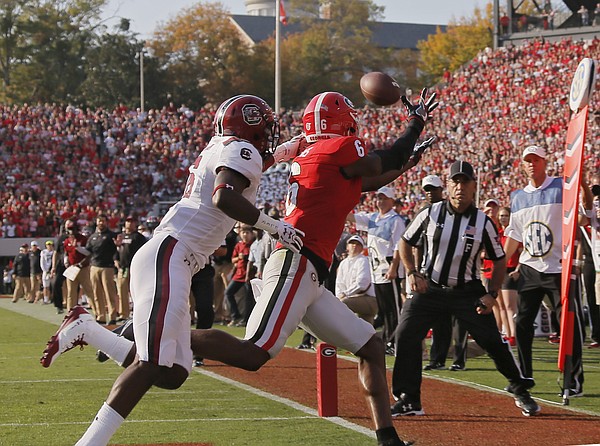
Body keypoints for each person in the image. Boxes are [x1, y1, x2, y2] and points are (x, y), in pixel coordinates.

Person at [41, 94, 304, 446]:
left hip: (172, 255)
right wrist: (275, 226)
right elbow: (224, 196)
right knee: (150, 364)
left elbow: (239, 174)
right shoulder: (241, 149)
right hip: (172, 254)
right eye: (266, 125)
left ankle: (90, 329)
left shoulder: (225, 148)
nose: (268, 132)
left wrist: (282, 152)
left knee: (173, 373)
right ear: (251, 123)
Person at [186, 89, 438, 446]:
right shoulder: (338, 149)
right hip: (296, 265)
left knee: (370, 345)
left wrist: (406, 164)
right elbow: (384, 159)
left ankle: (387, 438)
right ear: (341, 120)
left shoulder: (316, 155)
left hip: (309, 273)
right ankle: (155, 332)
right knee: (254, 352)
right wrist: (414, 123)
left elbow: (368, 180)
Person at [391, 160, 540, 418]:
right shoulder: (430, 213)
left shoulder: (483, 222)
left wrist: (492, 293)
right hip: (430, 289)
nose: (460, 187)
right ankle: (409, 398)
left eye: (465, 182)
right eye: (455, 182)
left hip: (466, 291)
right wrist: (413, 273)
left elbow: (500, 258)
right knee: (405, 334)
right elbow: (405, 241)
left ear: (474, 187)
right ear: (448, 186)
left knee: (492, 340)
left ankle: (519, 388)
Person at [503, 145, 585, 398]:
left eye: (536, 160)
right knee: (522, 323)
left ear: (544, 162)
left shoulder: (561, 187)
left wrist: (581, 191)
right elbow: (514, 236)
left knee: (568, 324)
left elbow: (580, 219)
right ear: (523, 165)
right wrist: (499, 265)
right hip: (529, 268)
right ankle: (525, 375)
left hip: (558, 267)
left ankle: (574, 380)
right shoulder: (517, 197)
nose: (532, 164)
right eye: (527, 161)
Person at [347, 185, 406, 354]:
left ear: (392, 201)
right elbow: (352, 217)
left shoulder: (396, 220)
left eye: (384, 198)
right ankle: (388, 340)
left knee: (393, 309)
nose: (380, 201)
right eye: (379, 198)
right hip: (377, 271)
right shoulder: (373, 218)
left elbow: (397, 246)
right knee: (385, 310)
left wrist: (394, 268)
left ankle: (395, 342)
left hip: (389, 270)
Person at [335, 234, 378, 324]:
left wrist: (345, 294)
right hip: (353, 298)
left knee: (343, 304)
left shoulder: (363, 261)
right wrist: (339, 296)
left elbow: (362, 284)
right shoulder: (343, 263)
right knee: (367, 330)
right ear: (347, 247)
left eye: (358, 244)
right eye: (352, 243)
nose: (354, 245)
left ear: (362, 248)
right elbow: (339, 283)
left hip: (368, 299)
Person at [86, 214, 119, 324]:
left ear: (106, 222)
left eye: (103, 221)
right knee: (96, 293)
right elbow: (88, 251)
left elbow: (117, 249)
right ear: (96, 222)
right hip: (94, 266)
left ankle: (112, 316)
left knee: (109, 293)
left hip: (107, 267)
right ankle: (100, 316)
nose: (101, 223)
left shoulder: (112, 235)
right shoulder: (93, 236)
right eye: (99, 221)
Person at [114, 215, 147, 321]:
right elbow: (117, 251)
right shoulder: (121, 236)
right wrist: (116, 260)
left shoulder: (139, 237)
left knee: (136, 292)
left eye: (132, 221)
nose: (130, 223)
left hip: (135, 268)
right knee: (122, 291)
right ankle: (124, 314)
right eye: (128, 221)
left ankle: (138, 313)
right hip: (123, 268)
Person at [224, 224, 255, 326]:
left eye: (247, 233)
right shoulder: (239, 245)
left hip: (249, 275)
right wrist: (239, 258)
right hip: (239, 274)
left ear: (251, 234)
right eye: (243, 232)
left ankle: (247, 320)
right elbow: (233, 259)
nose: (245, 235)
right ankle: (235, 316)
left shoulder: (253, 245)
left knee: (249, 298)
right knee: (228, 293)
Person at [63, 220, 95, 317]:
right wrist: (66, 261)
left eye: (73, 229)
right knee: (71, 292)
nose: (71, 231)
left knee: (88, 290)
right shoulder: (67, 240)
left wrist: (78, 248)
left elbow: (89, 253)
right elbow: (66, 252)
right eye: (70, 229)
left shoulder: (83, 239)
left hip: (82, 268)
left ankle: (96, 311)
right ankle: (70, 313)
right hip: (72, 268)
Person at [498, 206, 520, 346]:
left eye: (505, 215)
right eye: (501, 216)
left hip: (511, 269)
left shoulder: (515, 233)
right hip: (500, 270)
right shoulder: (499, 234)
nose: (503, 218)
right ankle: (507, 334)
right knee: (501, 306)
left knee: (510, 305)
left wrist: (518, 269)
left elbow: (523, 252)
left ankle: (514, 334)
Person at [40, 240, 55, 305]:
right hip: (46, 271)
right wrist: (45, 270)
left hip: (53, 271)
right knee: (46, 286)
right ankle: (46, 299)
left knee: (54, 286)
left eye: (50, 245)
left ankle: (54, 299)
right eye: (48, 245)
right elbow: (42, 262)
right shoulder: (43, 252)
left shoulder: (54, 252)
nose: (49, 246)